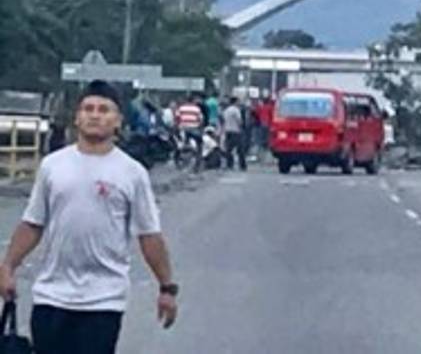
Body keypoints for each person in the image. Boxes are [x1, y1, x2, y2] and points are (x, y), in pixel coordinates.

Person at [0, 80, 178, 353]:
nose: (95, 115)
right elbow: (33, 223)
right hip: (51, 297)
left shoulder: (132, 173)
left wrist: (167, 288)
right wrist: (8, 267)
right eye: (88, 108)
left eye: (104, 110)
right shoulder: (52, 166)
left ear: (118, 120)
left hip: (102, 301)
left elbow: (149, 235)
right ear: (77, 117)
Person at [174, 95, 205, 171]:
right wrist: (199, 127)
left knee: (179, 145)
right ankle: (197, 164)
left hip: (183, 129)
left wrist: (179, 126)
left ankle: (177, 162)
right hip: (194, 129)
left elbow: (177, 118)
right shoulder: (197, 109)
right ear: (193, 101)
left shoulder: (181, 108)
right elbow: (200, 120)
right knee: (200, 145)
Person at [221, 97, 246, 171]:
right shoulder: (236, 110)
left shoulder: (226, 110)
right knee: (240, 149)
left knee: (229, 149)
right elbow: (239, 121)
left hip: (227, 131)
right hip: (236, 131)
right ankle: (242, 166)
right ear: (235, 102)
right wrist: (242, 127)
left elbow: (223, 120)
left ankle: (229, 165)